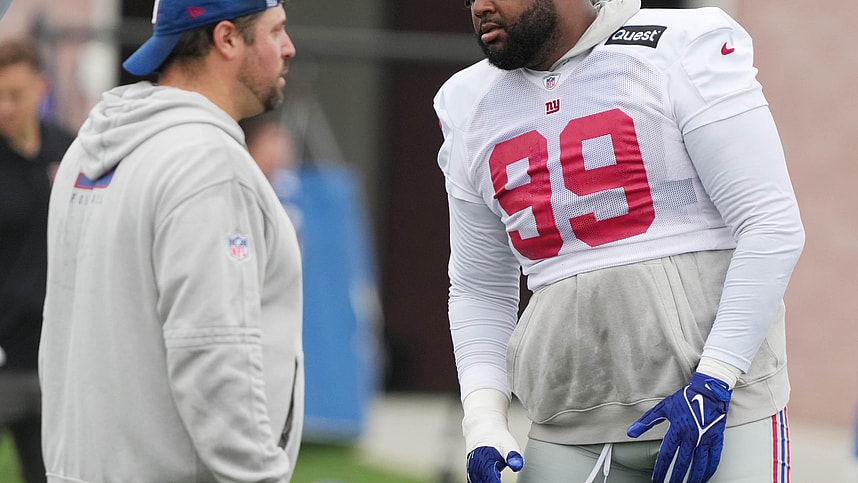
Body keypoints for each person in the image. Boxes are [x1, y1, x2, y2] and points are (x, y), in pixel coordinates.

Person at [433, 0, 805, 482]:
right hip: (568, 425)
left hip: (721, 408)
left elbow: (770, 222)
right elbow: (478, 287)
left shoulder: (675, 47)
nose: (479, 6)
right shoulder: (468, 102)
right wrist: (482, 420)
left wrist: (717, 377)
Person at [39, 0, 304, 482]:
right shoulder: (207, 165)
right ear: (226, 39)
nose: (289, 48)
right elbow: (213, 352)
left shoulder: (86, 151)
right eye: (276, 30)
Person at [0, 37, 74, 483]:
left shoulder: (71, 153)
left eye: (15, 94)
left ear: (42, 88)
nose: (5, 106)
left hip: (54, 360)